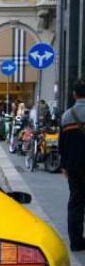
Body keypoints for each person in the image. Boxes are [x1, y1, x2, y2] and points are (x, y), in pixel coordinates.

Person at [59, 78, 85, 251]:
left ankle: (76, 242)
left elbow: (63, 145)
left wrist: (64, 166)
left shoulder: (67, 115)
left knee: (75, 202)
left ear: (74, 94)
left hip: (74, 166)